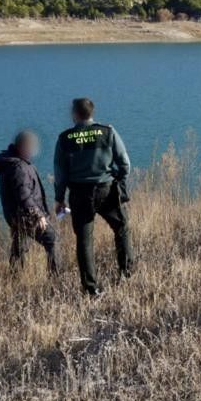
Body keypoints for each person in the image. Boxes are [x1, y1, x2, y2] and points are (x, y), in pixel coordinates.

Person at [54, 98, 132, 297]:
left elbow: (61, 172)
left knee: (84, 239)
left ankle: (91, 288)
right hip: (106, 189)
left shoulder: (65, 138)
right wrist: (117, 178)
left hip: (80, 194)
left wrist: (60, 198)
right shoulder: (108, 132)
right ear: (92, 112)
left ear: (74, 114)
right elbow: (125, 164)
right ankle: (127, 273)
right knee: (121, 228)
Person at [0, 130, 59, 275]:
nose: (34, 150)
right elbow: (24, 196)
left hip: (14, 215)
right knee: (53, 240)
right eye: (32, 147)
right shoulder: (19, 168)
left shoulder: (9, 161)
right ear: (24, 147)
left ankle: (15, 277)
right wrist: (38, 215)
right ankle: (56, 278)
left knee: (19, 247)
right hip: (27, 216)